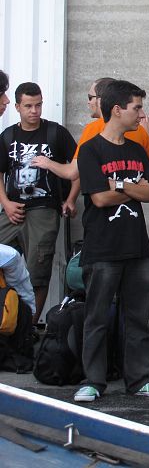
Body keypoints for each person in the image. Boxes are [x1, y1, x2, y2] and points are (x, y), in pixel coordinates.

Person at [73, 80, 149, 403]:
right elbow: (99, 198)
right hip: (102, 249)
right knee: (97, 316)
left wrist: (122, 185)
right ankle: (93, 381)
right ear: (117, 110)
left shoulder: (136, 149)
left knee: (137, 318)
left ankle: (139, 379)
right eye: (137, 108)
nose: (141, 115)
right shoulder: (90, 150)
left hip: (138, 248)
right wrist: (133, 186)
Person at [0, 82, 80, 324]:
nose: (34, 111)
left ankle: (28, 330)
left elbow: (80, 168)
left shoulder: (56, 132)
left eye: (38, 105)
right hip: (12, 208)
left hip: (44, 209)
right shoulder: (8, 136)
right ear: (17, 107)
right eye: (28, 106)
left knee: (38, 273)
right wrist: (5, 203)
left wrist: (71, 199)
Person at [33, 77, 149, 182]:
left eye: (91, 97)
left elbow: (72, 172)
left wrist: (48, 163)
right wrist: (147, 134)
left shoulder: (93, 129)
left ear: (101, 100)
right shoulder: (139, 130)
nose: (89, 102)